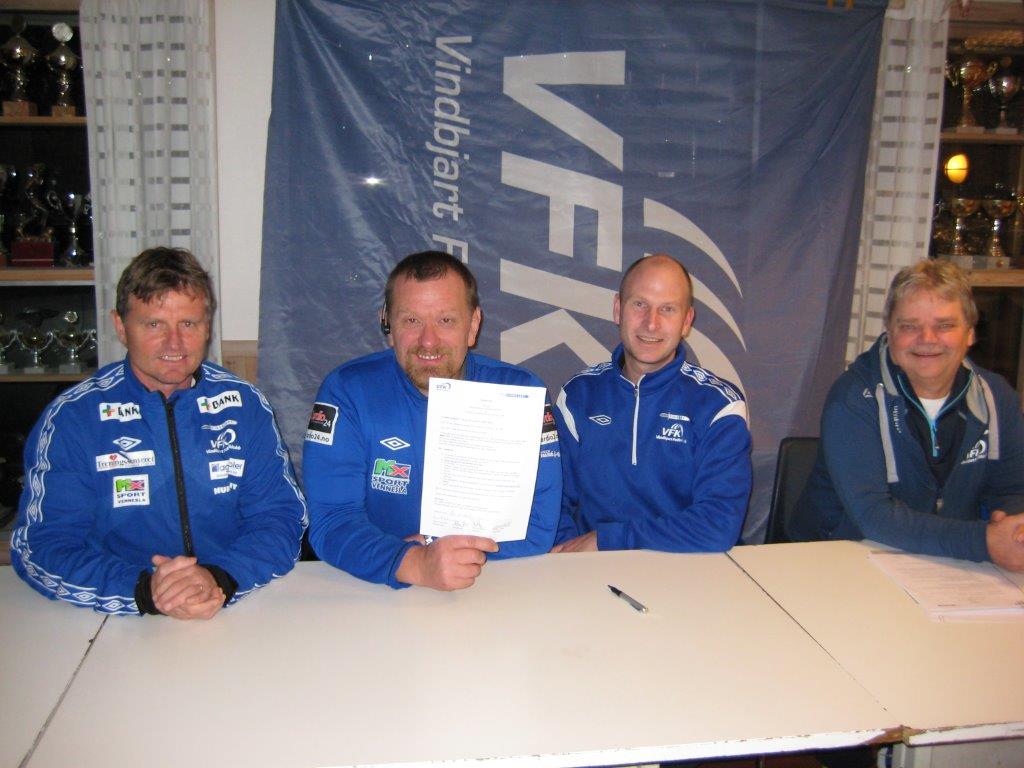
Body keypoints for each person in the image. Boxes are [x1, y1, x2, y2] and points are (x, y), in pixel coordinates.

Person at [10, 247, 307, 618]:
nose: (174, 344)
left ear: (208, 325)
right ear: (121, 327)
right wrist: (145, 589)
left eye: (189, 324)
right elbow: (42, 546)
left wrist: (219, 578)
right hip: (114, 617)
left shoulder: (244, 406)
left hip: (234, 604)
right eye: (154, 325)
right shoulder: (73, 418)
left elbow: (279, 518)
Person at [303, 250, 560, 590]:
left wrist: (434, 551)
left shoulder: (521, 392)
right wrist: (411, 562)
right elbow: (332, 521)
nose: (428, 341)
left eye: (446, 320)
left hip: (492, 584)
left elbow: (538, 527)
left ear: (473, 325)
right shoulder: (347, 391)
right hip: (373, 587)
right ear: (387, 324)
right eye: (411, 321)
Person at [789, 259, 1024, 571]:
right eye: (909, 326)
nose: (927, 338)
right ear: (890, 332)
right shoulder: (853, 399)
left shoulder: (997, 396)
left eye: (945, 325)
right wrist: (985, 541)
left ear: (970, 333)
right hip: (841, 561)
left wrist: (1012, 530)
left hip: (950, 564)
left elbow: (1011, 489)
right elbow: (873, 515)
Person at [551, 253, 751, 553]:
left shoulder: (719, 406)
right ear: (618, 309)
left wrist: (607, 540)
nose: (651, 323)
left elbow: (718, 524)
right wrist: (569, 553)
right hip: (594, 568)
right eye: (639, 304)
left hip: (689, 566)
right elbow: (553, 501)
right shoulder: (578, 395)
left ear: (686, 321)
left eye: (667, 309)